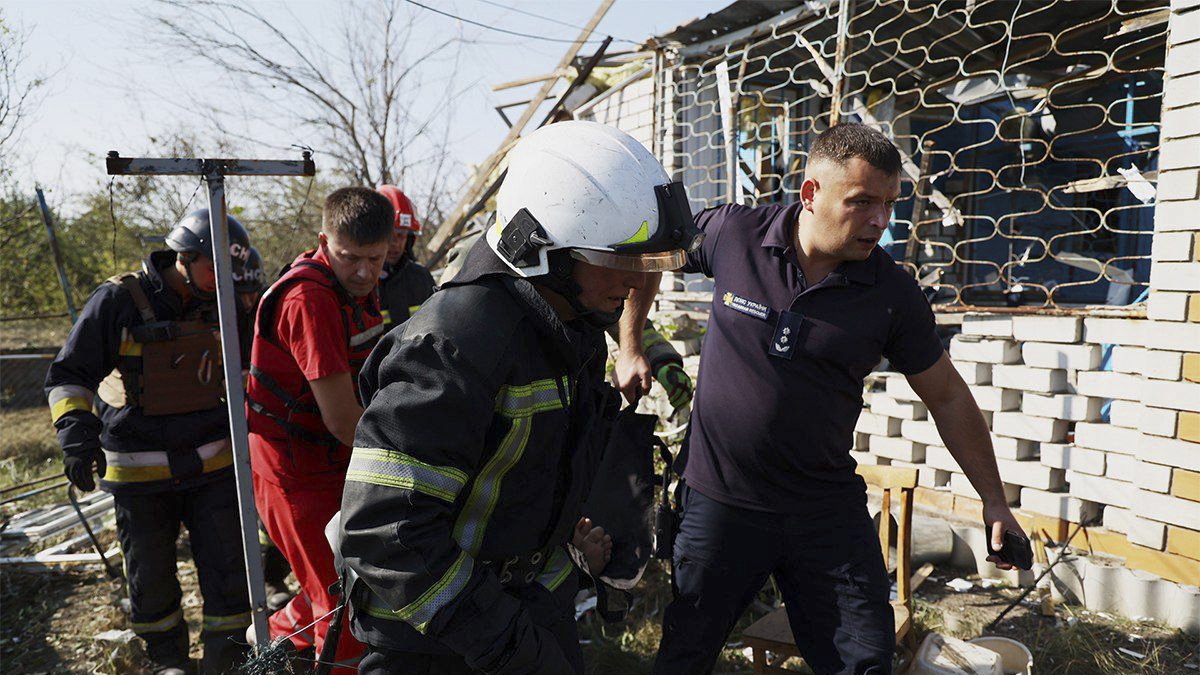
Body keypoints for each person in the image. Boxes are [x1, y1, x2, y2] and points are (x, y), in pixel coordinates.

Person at [617, 123, 1028, 675]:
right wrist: (630, 344)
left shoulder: (891, 295)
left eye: (889, 204)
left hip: (821, 510)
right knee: (685, 654)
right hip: (718, 501)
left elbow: (948, 397)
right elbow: (653, 254)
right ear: (811, 194)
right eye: (863, 203)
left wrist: (994, 500)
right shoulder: (734, 233)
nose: (881, 221)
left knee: (865, 658)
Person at [337, 120, 700, 674]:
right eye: (620, 259)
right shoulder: (454, 345)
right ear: (541, 248)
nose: (634, 282)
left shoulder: (564, 321)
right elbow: (387, 532)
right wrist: (509, 647)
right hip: (439, 642)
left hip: (527, 608)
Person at [45, 209, 255, 675]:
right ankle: (168, 661)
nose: (224, 283)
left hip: (213, 468)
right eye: (213, 270)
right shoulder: (119, 300)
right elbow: (68, 374)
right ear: (185, 257)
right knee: (151, 580)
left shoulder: (226, 303)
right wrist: (76, 436)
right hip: (139, 474)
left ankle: (227, 657)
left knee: (228, 572)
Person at [245, 187, 392, 668]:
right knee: (343, 607)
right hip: (294, 472)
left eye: (376, 257)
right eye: (351, 258)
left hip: (333, 464)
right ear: (324, 241)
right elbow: (345, 422)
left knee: (349, 585)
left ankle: (272, 637)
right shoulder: (310, 301)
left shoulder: (360, 288)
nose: (365, 272)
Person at [376, 184, 436, 330]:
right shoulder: (363, 280)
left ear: (409, 239)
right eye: (389, 236)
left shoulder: (421, 278)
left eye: (401, 235)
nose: (395, 243)